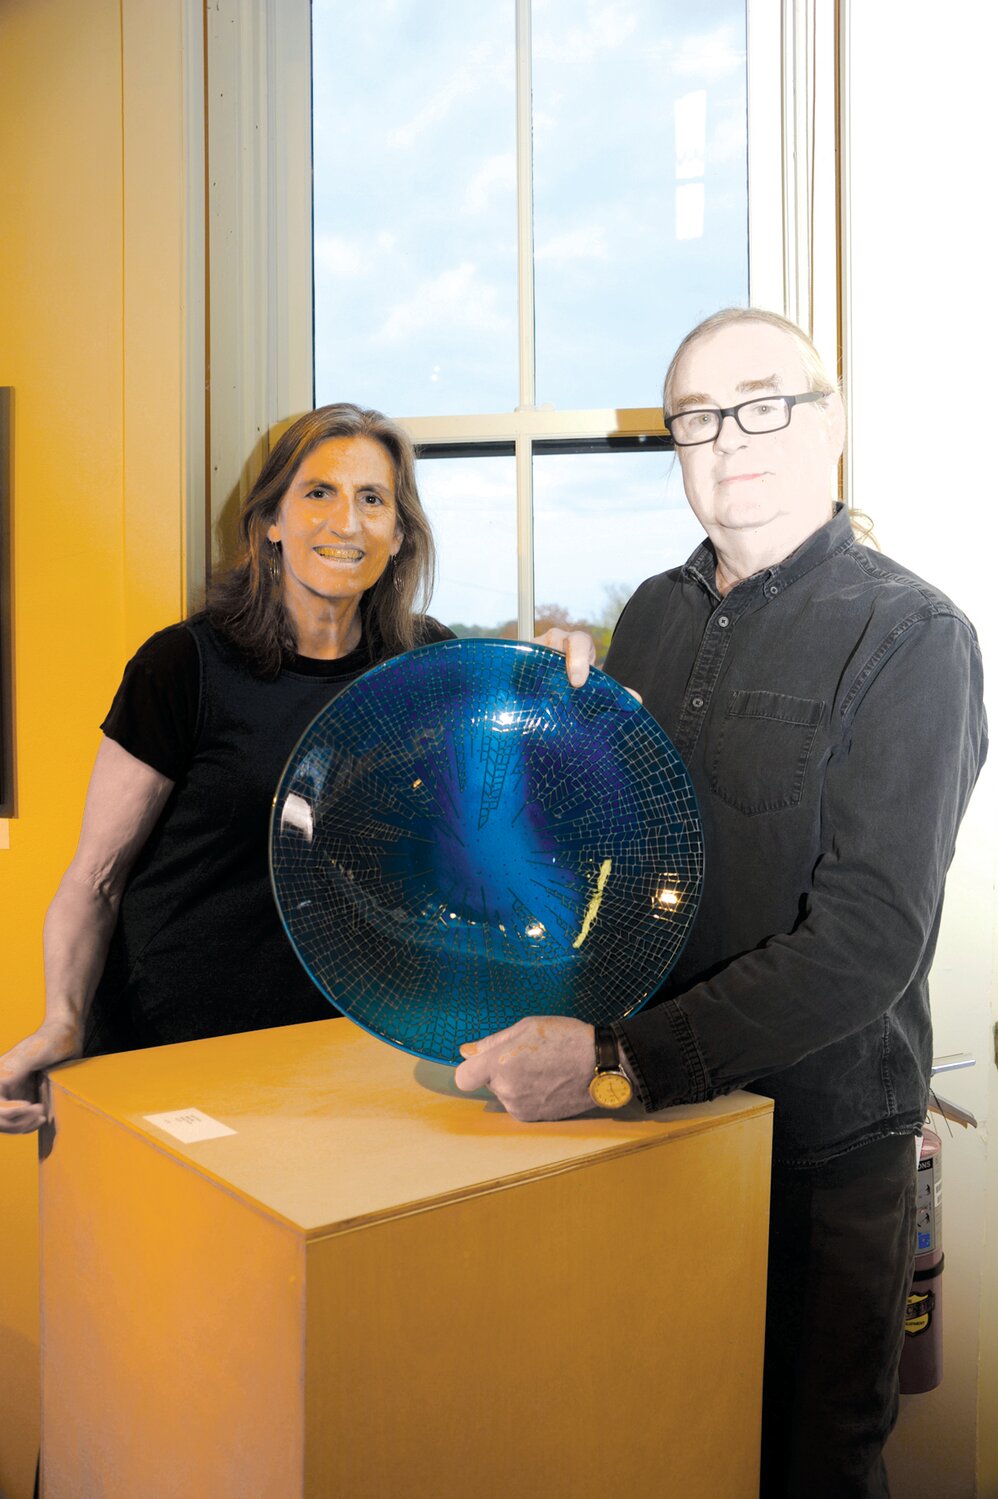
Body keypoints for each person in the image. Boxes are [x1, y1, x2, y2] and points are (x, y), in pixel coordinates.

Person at [454, 308, 987, 1498]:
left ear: (829, 421)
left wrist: (612, 1060)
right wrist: (559, 726)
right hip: (651, 1140)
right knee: (663, 1447)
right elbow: (613, 850)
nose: (729, 436)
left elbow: (868, 943)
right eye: (695, 415)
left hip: (813, 1158)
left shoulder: (910, 637)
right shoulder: (650, 614)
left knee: (806, 1467)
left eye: (762, 402)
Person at [0, 402, 452, 1131]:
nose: (347, 522)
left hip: (347, 1058)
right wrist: (63, 1018)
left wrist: (562, 674)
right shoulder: (185, 664)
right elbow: (96, 876)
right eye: (318, 493)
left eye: (373, 499)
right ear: (270, 520)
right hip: (175, 1057)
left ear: (398, 534)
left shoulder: (426, 666)